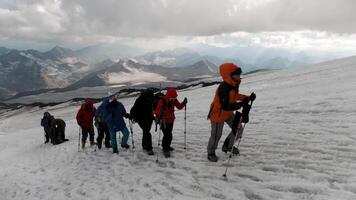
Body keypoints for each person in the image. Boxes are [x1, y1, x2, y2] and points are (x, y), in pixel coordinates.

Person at [207, 63, 256, 162]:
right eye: (237, 74)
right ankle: (211, 152)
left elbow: (235, 96)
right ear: (229, 75)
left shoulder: (233, 84)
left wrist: (247, 98)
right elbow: (225, 106)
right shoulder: (224, 88)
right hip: (218, 114)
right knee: (216, 135)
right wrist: (241, 104)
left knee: (238, 129)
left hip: (228, 113)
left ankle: (228, 146)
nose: (239, 76)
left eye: (239, 74)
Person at [155, 88, 187, 158]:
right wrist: (161, 111)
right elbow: (157, 112)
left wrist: (184, 103)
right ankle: (165, 149)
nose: (173, 99)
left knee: (168, 135)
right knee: (168, 135)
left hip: (171, 120)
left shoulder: (174, 100)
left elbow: (179, 106)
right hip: (163, 121)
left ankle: (166, 146)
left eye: (174, 98)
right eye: (172, 98)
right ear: (168, 96)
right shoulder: (162, 101)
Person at [130, 89, 155, 155]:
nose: (150, 99)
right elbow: (135, 110)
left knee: (146, 131)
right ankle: (149, 148)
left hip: (149, 119)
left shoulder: (151, 98)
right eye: (149, 97)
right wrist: (135, 118)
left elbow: (153, 104)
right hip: (140, 119)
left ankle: (144, 145)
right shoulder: (139, 100)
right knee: (147, 132)